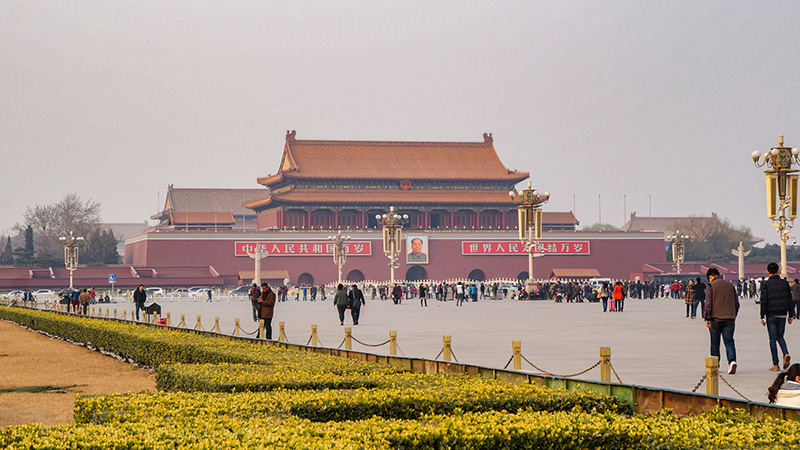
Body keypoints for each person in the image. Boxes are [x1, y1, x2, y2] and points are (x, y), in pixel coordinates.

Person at [704, 268, 740, 374]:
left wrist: (707, 317)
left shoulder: (711, 286)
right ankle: (732, 361)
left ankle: (715, 365)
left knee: (715, 343)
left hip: (715, 318)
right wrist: (733, 314)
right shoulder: (730, 285)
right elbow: (736, 303)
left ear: (710, 276)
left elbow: (708, 303)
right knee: (729, 341)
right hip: (729, 318)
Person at [760, 262, 794, 371]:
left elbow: (764, 301)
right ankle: (785, 353)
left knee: (772, 339)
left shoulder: (765, 284)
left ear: (768, 272)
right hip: (782, 314)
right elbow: (790, 299)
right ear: (778, 271)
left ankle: (775, 364)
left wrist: (762, 316)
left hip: (771, 314)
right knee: (780, 336)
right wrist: (791, 315)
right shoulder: (784, 283)